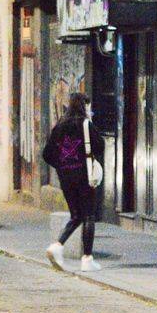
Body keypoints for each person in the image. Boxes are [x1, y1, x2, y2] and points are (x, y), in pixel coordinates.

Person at [42, 93, 104, 272]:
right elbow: (100, 146)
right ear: (84, 106)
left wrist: (63, 166)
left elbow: (47, 154)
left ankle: (57, 246)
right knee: (88, 215)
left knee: (76, 215)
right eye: (88, 106)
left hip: (66, 178)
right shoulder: (86, 125)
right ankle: (87, 259)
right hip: (84, 177)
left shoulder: (59, 126)